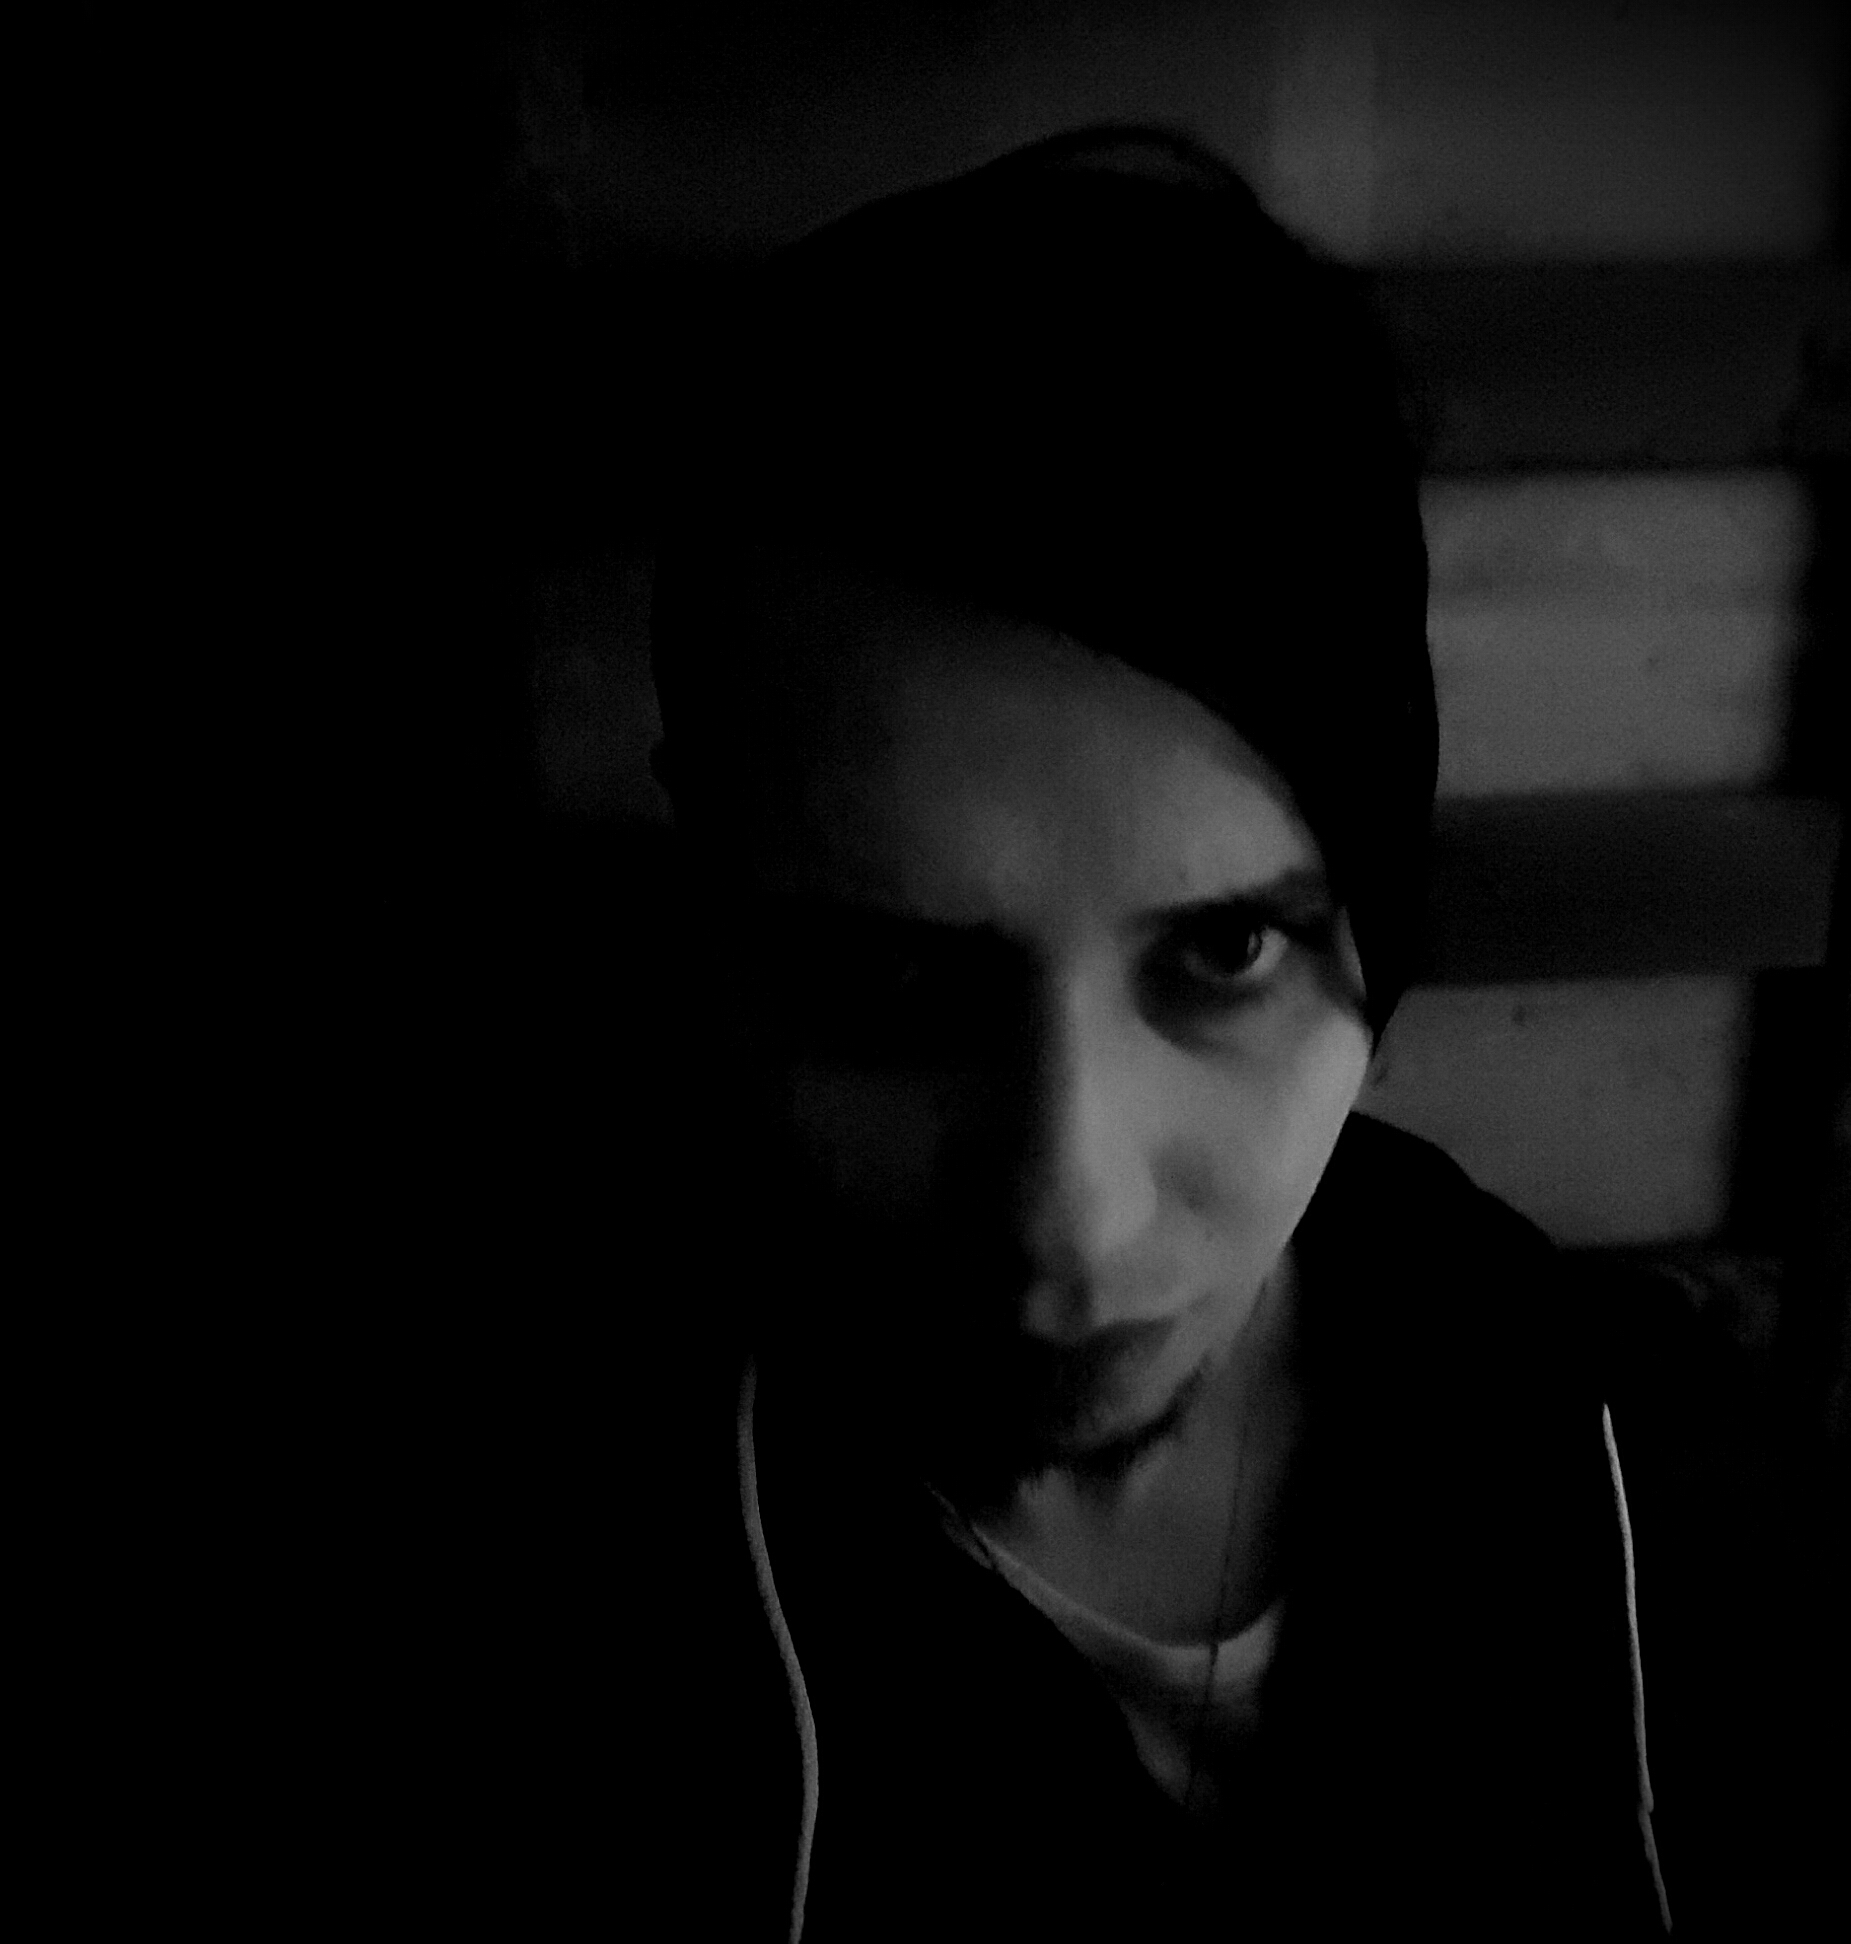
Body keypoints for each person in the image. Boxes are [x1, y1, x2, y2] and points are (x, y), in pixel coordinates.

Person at [637, 127, 1673, 1940]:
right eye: (894, 989)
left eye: (1225, 952)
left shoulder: (1621, 1454)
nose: (1072, 1218)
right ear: (720, 930)